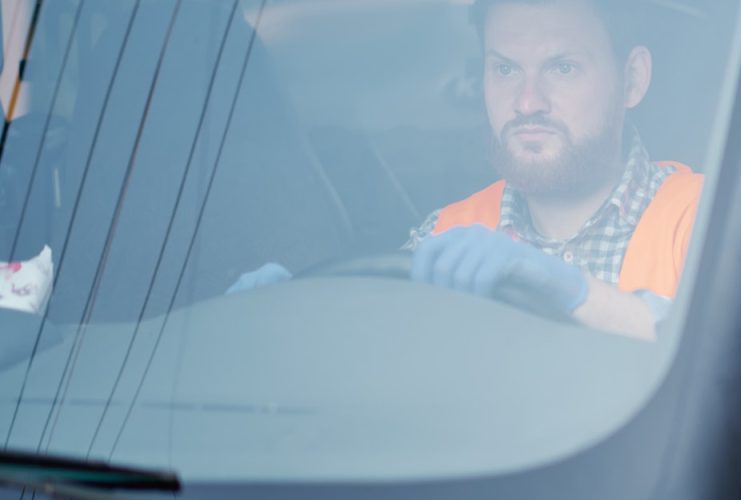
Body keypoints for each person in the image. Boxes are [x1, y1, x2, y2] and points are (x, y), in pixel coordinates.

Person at [230, 0, 701, 340]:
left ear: (633, 79)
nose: (527, 102)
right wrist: (297, 324)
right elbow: (381, 354)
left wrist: (572, 293)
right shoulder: (446, 231)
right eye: (505, 69)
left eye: (562, 68)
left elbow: (724, 358)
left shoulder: (703, 213)